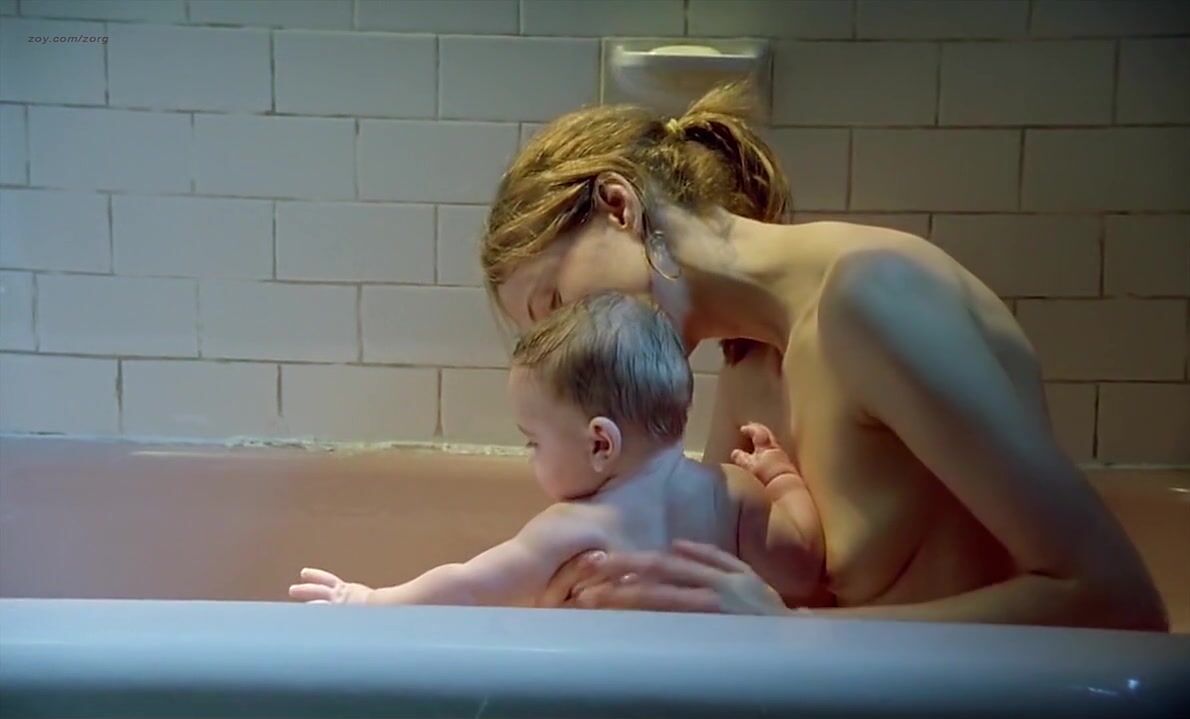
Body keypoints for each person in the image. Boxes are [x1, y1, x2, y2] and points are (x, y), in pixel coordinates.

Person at [478, 83, 1167, 630]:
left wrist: (787, 633)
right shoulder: (749, 365)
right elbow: (726, 592)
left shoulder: (875, 298)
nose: (570, 341)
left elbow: (1117, 603)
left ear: (618, 206)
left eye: (555, 303)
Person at [288, 292, 826, 609]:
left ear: (600, 444)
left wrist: (369, 599)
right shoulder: (732, 494)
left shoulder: (577, 528)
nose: (531, 457)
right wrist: (782, 478)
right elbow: (803, 569)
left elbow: (469, 585)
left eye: (534, 441)